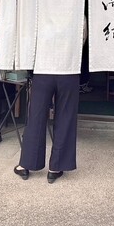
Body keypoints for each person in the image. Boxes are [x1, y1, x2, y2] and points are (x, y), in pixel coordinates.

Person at [13, 22, 84, 184]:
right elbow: (82, 39)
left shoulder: (39, 12)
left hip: (43, 69)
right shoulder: (77, 13)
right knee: (66, 117)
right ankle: (56, 168)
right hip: (68, 69)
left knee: (36, 117)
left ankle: (26, 164)